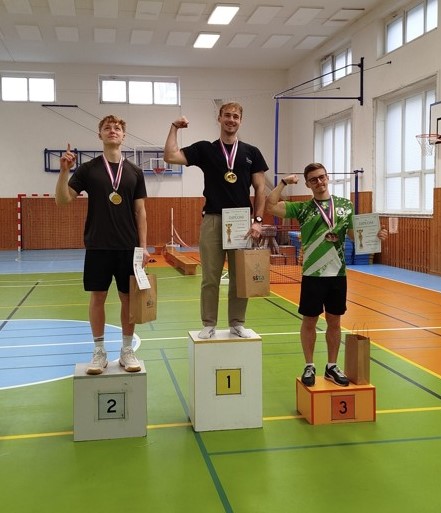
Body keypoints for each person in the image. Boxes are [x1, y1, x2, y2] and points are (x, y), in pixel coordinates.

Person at [266, 163, 388, 387]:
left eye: (322, 177)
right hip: (312, 274)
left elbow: (354, 235)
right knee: (309, 321)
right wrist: (283, 182)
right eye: (313, 179)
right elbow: (271, 205)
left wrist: (375, 235)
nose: (319, 182)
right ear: (307, 184)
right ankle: (309, 365)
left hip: (338, 274)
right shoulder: (303, 208)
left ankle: (331, 366)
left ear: (327, 177)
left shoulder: (345, 206)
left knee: (335, 321)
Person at [164, 102, 268, 339]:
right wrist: (174, 127)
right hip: (212, 219)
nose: (231, 120)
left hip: (241, 222)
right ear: (219, 118)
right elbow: (170, 156)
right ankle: (209, 323)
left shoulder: (251, 152)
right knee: (210, 277)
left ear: (241, 120)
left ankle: (237, 323)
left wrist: (258, 220)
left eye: (236, 116)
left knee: (239, 278)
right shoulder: (205, 149)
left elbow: (260, 189)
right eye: (227, 115)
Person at [55, 115, 149, 375]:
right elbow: (63, 200)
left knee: (128, 299)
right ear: (100, 135)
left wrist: (143, 246)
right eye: (107, 128)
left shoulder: (135, 171)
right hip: (97, 245)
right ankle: (99, 352)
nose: (112, 131)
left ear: (123, 135)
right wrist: (64, 171)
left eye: (117, 128)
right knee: (98, 298)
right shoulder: (88, 169)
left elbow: (140, 211)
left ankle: (127, 350)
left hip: (128, 247)